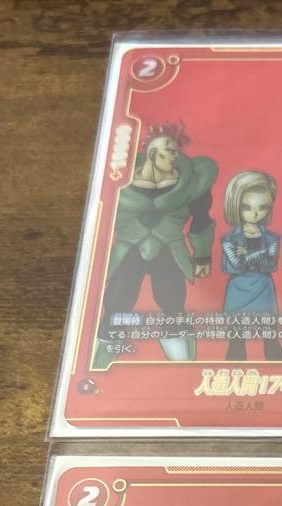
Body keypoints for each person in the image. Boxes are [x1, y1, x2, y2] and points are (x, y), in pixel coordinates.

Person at [94, 122, 217, 369]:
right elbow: (100, 214)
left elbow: (201, 218)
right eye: (166, 150)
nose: (172, 156)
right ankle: (101, 359)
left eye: (175, 151)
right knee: (117, 300)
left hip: (169, 248)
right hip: (128, 248)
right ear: (151, 152)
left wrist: (202, 256)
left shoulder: (191, 183)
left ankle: (182, 365)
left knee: (173, 301)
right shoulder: (119, 178)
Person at [220, 170, 282, 361]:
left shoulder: (272, 237)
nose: (255, 214)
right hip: (238, 287)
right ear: (234, 205)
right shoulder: (229, 239)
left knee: (270, 334)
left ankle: (277, 364)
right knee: (236, 337)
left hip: (263, 285)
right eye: (246, 207)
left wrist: (248, 255)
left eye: (263, 207)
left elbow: (270, 265)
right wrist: (261, 253)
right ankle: (234, 368)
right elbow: (237, 265)